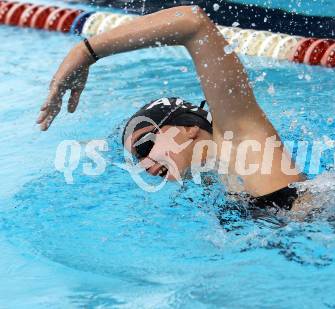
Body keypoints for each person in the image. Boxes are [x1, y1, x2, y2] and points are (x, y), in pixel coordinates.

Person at [37, 5, 308, 212]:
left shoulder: (240, 138)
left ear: (189, 128)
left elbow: (193, 23)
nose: (145, 164)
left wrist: (85, 52)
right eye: (137, 159)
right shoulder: (222, 183)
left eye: (144, 145)